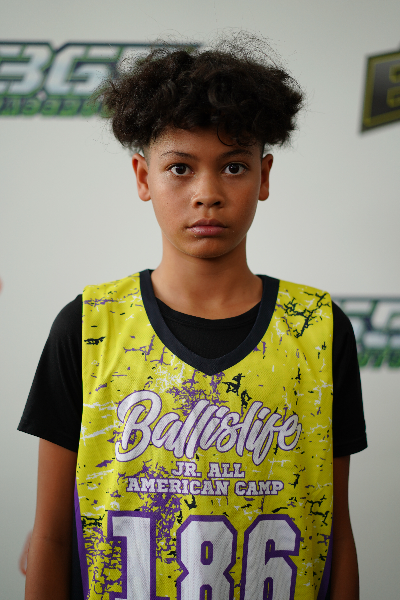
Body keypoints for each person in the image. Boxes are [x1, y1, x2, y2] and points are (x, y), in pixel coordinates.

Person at [19, 35, 367, 600]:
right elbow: (53, 539)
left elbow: (335, 536)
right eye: (180, 168)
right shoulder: (88, 327)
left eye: (234, 166)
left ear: (264, 176)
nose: (208, 193)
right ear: (143, 177)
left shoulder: (319, 329)